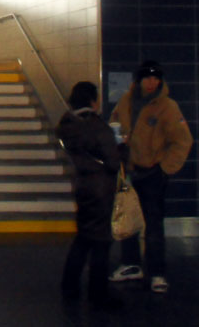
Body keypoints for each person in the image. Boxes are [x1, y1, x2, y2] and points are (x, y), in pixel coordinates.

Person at [107, 60, 193, 294]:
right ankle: (132, 264)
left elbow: (183, 141)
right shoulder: (125, 101)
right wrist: (117, 140)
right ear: (139, 80)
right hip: (128, 171)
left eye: (156, 78)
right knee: (128, 218)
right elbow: (114, 123)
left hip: (153, 173)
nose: (152, 82)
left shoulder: (167, 106)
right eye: (147, 78)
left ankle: (157, 271)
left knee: (153, 224)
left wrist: (165, 169)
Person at [57, 81, 126, 310]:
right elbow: (113, 162)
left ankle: (69, 286)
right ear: (92, 100)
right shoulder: (97, 127)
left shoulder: (67, 124)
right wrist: (122, 149)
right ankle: (98, 292)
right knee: (101, 241)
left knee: (84, 237)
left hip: (82, 185)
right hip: (101, 188)